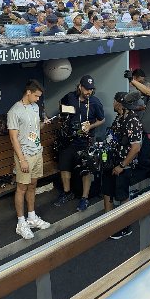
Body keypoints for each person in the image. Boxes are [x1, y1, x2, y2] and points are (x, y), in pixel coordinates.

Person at [7, 80, 51, 240]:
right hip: (24, 156)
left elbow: (34, 128)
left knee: (32, 185)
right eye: (37, 96)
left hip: (37, 153)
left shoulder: (35, 107)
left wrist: (43, 124)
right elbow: (13, 138)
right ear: (28, 92)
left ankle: (31, 218)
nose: (38, 99)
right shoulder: (14, 111)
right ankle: (21, 223)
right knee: (22, 188)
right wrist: (22, 159)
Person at [53, 76, 105, 211]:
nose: (89, 92)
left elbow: (102, 119)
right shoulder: (70, 97)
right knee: (64, 167)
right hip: (69, 140)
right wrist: (65, 115)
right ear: (80, 87)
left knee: (85, 170)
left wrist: (90, 126)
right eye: (87, 89)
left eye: (91, 89)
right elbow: (61, 105)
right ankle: (66, 193)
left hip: (85, 141)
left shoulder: (95, 102)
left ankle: (84, 198)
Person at [104, 92, 144, 240]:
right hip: (111, 162)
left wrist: (122, 165)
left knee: (122, 196)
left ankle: (124, 227)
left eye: (114, 101)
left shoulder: (132, 120)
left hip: (122, 165)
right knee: (107, 192)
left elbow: (136, 148)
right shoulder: (119, 118)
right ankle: (108, 225)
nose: (113, 104)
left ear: (120, 103)